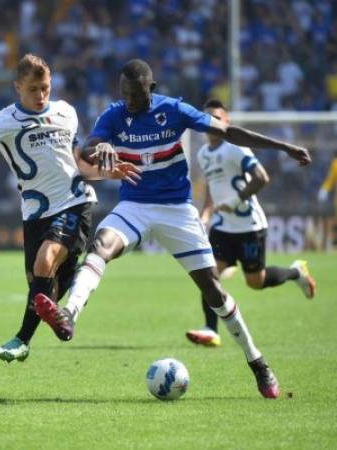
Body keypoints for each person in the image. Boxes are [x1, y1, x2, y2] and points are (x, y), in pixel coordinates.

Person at [33, 59, 312, 399]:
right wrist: (100, 147)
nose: (128, 101)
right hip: (134, 205)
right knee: (100, 246)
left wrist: (283, 147)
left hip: (177, 211)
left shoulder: (174, 110)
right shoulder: (114, 115)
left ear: (150, 89)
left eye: (134, 94)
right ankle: (69, 315)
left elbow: (228, 132)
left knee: (214, 292)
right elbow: (91, 147)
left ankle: (258, 363)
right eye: (124, 94)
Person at [0, 54, 139, 363]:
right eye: (33, 89)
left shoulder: (65, 112)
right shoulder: (4, 121)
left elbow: (79, 163)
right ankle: (65, 310)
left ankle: (22, 339)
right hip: (34, 213)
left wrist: (104, 172)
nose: (40, 95)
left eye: (44, 87)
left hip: (75, 202)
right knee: (43, 285)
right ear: (17, 87)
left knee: (45, 263)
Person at [185, 99, 316, 347]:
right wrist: (205, 214)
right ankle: (210, 329)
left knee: (255, 281)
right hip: (223, 227)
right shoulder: (203, 154)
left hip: (250, 227)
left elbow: (261, 177)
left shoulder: (235, 149)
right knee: (209, 275)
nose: (211, 124)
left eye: (216, 118)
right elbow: (213, 189)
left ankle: (295, 272)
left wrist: (235, 201)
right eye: (207, 119)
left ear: (226, 122)